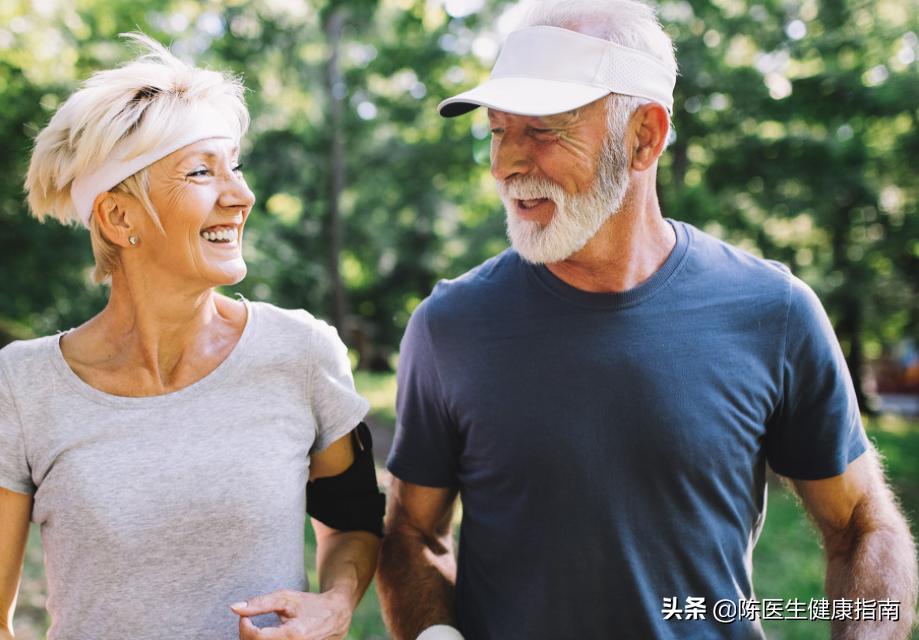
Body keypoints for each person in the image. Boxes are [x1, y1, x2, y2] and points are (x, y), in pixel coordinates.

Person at [376, 1, 918, 639]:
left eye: (543, 131)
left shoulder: (775, 313)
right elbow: (411, 533)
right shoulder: (450, 326)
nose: (505, 164)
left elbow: (862, 526)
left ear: (644, 138)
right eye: (498, 131)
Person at [0, 34, 384, 640]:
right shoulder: (22, 386)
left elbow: (354, 520)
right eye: (202, 172)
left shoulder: (302, 353)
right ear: (118, 216)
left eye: (236, 167)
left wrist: (334, 604)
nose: (242, 196)